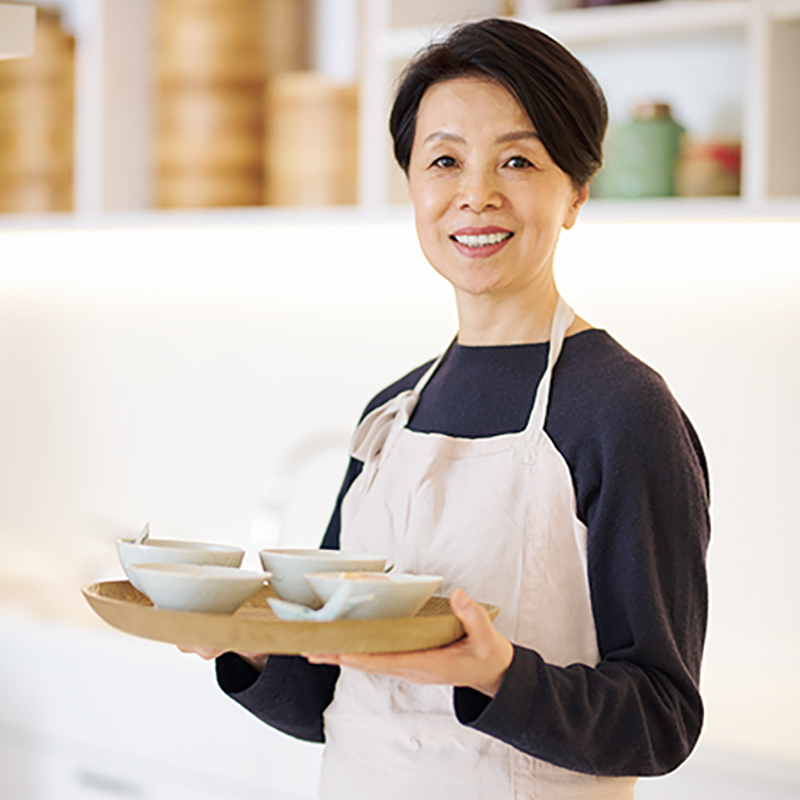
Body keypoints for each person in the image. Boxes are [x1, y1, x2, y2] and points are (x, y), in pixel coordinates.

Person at [182, 18, 710, 800]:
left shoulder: (621, 409)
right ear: (413, 186)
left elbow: (661, 719)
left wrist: (499, 675)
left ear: (575, 191)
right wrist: (244, 645)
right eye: (444, 161)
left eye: (518, 160)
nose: (476, 195)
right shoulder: (390, 415)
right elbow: (332, 696)